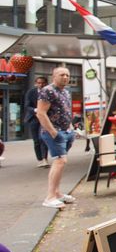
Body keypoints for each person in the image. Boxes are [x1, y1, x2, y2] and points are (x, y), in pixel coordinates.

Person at [37, 67, 76, 208]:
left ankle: (57, 193)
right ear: (54, 76)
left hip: (66, 131)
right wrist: (53, 132)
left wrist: (70, 127)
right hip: (54, 132)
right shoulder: (47, 91)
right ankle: (50, 197)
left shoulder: (66, 91)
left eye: (67, 75)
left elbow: (66, 111)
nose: (65, 77)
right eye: (62, 75)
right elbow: (41, 113)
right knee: (60, 161)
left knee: (60, 162)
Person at [24, 75, 49, 167]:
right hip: (34, 118)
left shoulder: (49, 92)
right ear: (36, 84)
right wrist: (35, 110)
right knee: (36, 140)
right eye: (39, 83)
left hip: (44, 118)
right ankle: (39, 160)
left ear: (46, 83)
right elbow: (27, 106)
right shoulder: (31, 92)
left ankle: (45, 159)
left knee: (43, 138)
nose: (41, 85)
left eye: (43, 83)